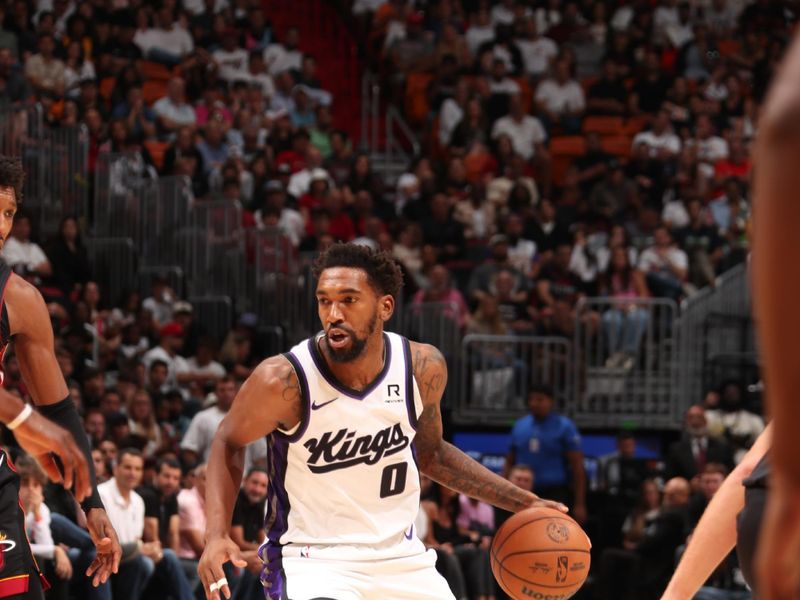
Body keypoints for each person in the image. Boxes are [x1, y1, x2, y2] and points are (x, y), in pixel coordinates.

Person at [198, 244, 566, 600]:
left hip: (402, 559)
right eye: (324, 301)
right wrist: (215, 534)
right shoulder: (283, 380)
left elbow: (432, 455)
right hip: (313, 561)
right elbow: (228, 439)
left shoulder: (422, 368)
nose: (334, 314)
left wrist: (525, 502)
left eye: (349, 300)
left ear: (385, 306)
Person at [0, 156, 121, 598]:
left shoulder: (21, 299)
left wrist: (92, 504)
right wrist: (21, 420)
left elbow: (58, 410)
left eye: (9, 212)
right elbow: (35, 419)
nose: (1, 225)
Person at [504, 383, 588, 524]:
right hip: (523, 492)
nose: (534, 403)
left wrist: (580, 503)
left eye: (540, 399)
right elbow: (509, 461)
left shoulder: (565, 426)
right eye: (532, 399)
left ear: (551, 401)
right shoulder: (520, 425)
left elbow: (577, 467)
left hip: (554, 493)